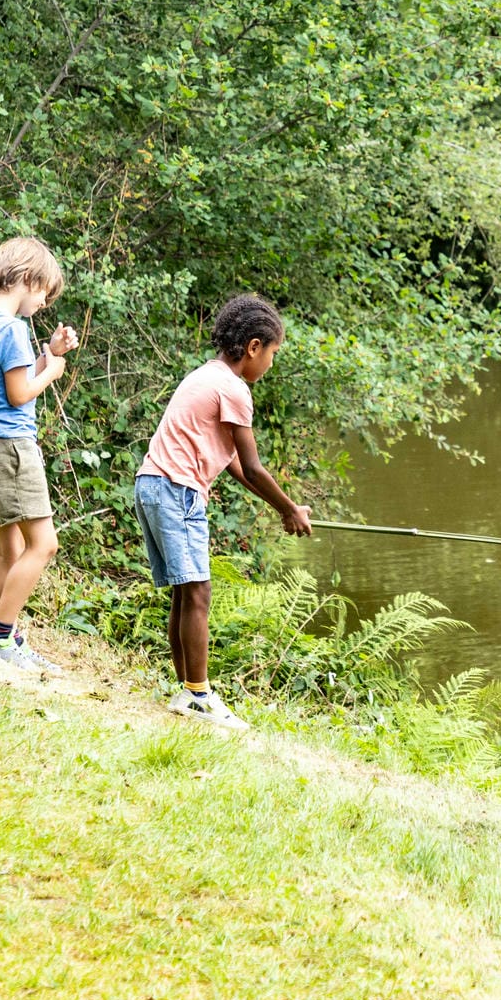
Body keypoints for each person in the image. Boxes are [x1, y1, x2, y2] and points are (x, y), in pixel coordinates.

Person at [137, 293, 311, 728]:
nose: (271, 364)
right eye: (272, 353)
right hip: (176, 491)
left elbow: (231, 460)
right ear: (253, 347)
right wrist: (290, 508)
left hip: (154, 485)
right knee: (197, 593)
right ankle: (198, 696)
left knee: (185, 591)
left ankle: (187, 690)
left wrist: (280, 509)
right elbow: (252, 466)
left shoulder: (207, 376)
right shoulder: (234, 389)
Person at [0, 236, 79, 672]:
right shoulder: (12, 328)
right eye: (44, 292)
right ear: (25, 279)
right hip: (13, 447)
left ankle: (6, 637)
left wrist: (49, 352)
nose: (45, 302)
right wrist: (53, 371)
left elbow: (6, 380)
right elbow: (19, 394)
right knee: (44, 545)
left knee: (9, 551)